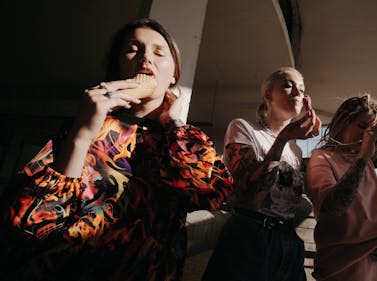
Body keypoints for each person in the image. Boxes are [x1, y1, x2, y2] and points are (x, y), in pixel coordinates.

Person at [0, 18, 233, 281]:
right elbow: (28, 222)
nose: (146, 57)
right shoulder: (88, 125)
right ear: (118, 67)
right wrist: (82, 134)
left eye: (159, 52)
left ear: (173, 75)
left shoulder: (182, 138)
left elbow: (212, 193)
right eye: (133, 49)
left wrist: (173, 123)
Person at [202, 66, 321, 281]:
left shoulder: (295, 149)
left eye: (302, 89)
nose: (297, 93)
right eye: (288, 85)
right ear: (268, 94)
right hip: (250, 238)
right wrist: (281, 140)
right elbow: (250, 199)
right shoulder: (244, 128)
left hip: (287, 240)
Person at [305, 95, 377, 281]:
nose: (368, 135)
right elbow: (333, 207)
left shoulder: (366, 163)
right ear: (341, 124)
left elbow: (371, 204)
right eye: (362, 127)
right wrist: (364, 156)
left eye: (373, 130)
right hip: (346, 268)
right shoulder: (322, 158)